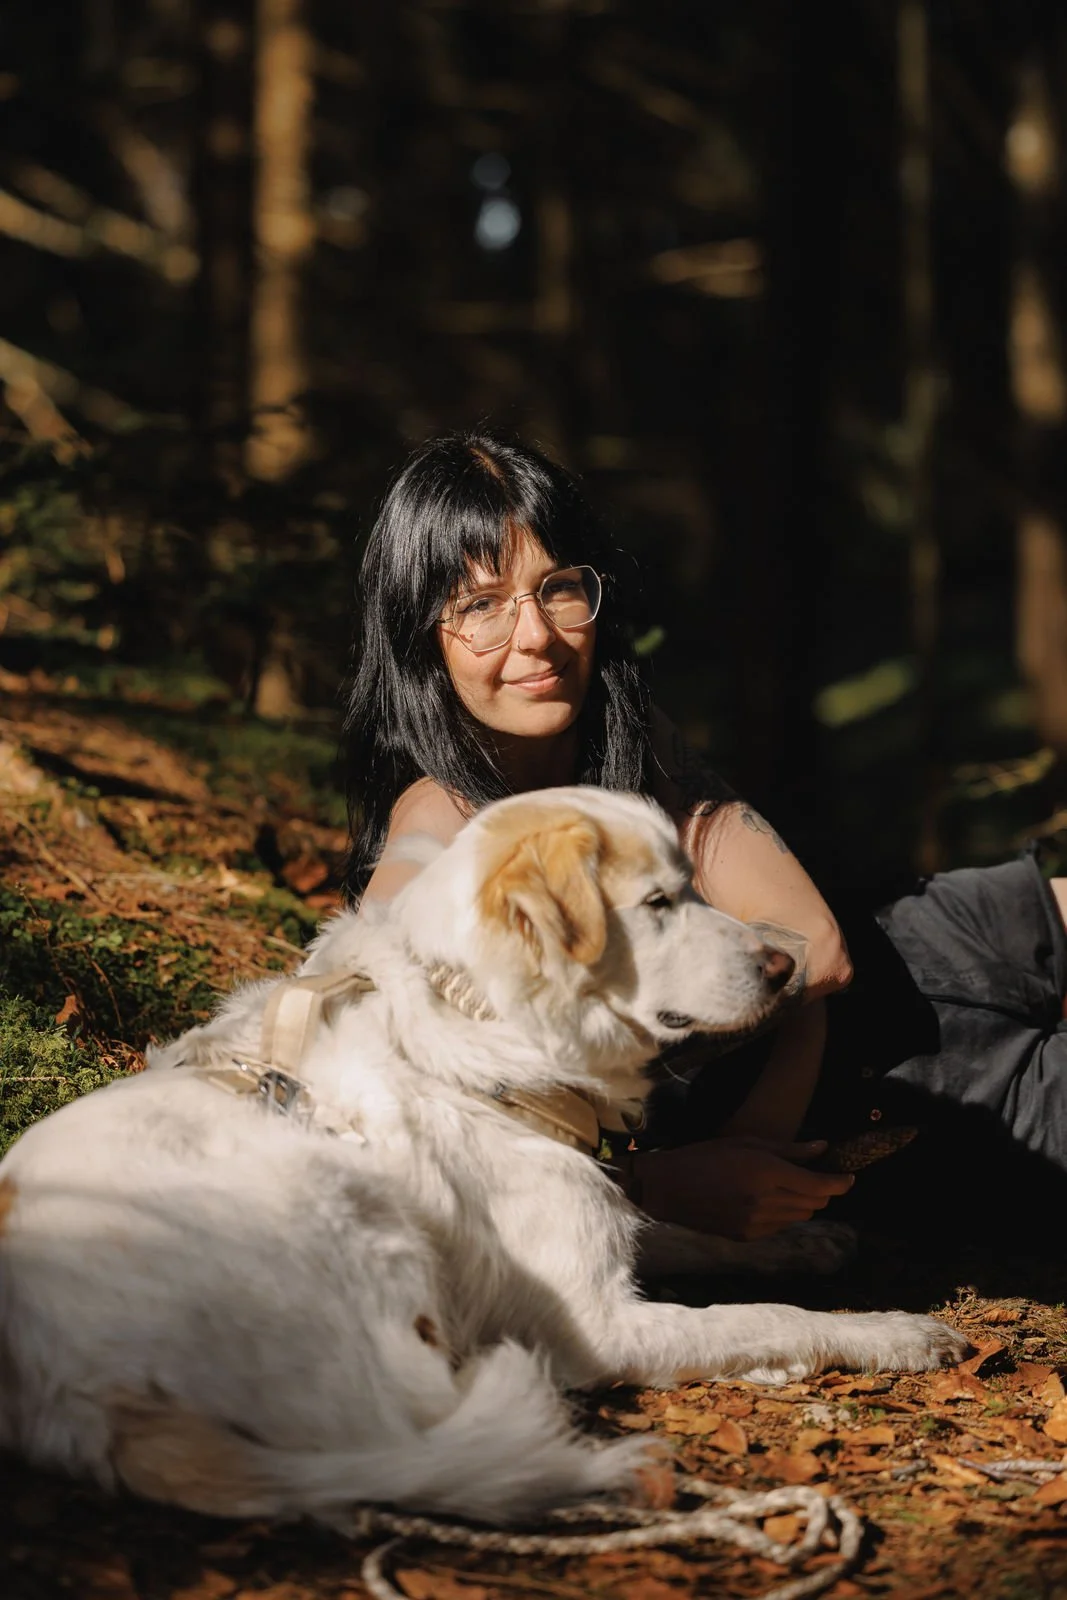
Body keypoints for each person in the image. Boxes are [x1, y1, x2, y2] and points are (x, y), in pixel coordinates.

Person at [342, 430, 1067, 1244]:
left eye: (558, 588)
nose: (537, 636)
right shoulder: (437, 834)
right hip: (934, 1106)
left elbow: (817, 948)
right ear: (417, 635)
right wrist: (653, 1184)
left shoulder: (629, 733)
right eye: (479, 606)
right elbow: (395, 1139)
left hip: (930, 944)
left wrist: (746, 1136)